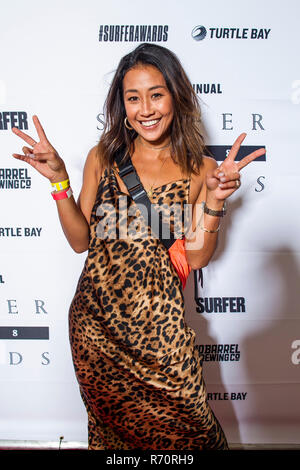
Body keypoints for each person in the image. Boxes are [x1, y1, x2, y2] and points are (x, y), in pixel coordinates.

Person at [12, 43, 265, 450]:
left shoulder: (201, 168)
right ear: (122, 105)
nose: (145, 109)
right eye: (133, 98)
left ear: (176, 96)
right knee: (113, 441)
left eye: (156, 94)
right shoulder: (104, 156)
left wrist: (216, 200)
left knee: (195, 438)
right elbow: (80, 241)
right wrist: (59, 179)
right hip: (96, 331)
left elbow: (196, 256)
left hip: (161, 338)